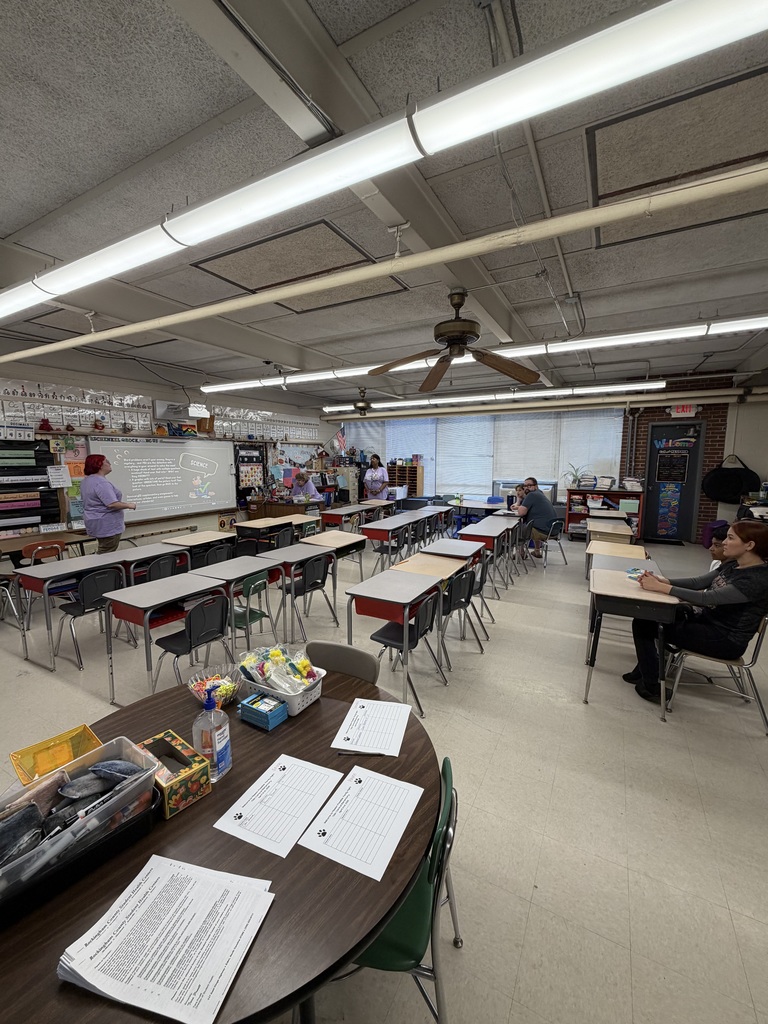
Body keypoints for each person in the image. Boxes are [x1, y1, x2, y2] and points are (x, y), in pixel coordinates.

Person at [625, 520, 768, 702]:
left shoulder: (757, 580)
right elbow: (698, 583)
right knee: (649, 615)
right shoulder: (734, 565)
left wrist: (661, 588)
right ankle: (647, 672)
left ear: (749, 545)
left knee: (645, 625)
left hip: (724, 639)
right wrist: (664, 581)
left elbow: (707, 598)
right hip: (707, 621)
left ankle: (652, 686)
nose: (724, 542)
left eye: (730, 538)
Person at [80, 454, 136, 553]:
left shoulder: (87, 481)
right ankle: (99, 568)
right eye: (106, 461)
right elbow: (112, 504)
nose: (109, 463)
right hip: (107, 525)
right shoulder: (101, 483)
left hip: (95, 522)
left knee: (104, 549)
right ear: (99, 465)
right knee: (106, 553)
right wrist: (129, 505)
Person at [512, 477, 557, 557]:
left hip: (543, 531)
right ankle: (537, 551)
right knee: (532, 524)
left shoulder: (531, 495)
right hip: (553, 530)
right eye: (525, 486)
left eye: (529, 485)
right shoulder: (540, 493)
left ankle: (521, 553)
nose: (526, 487)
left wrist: (518, 503)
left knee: (516, 529)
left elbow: (521, 512)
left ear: (536, 486)